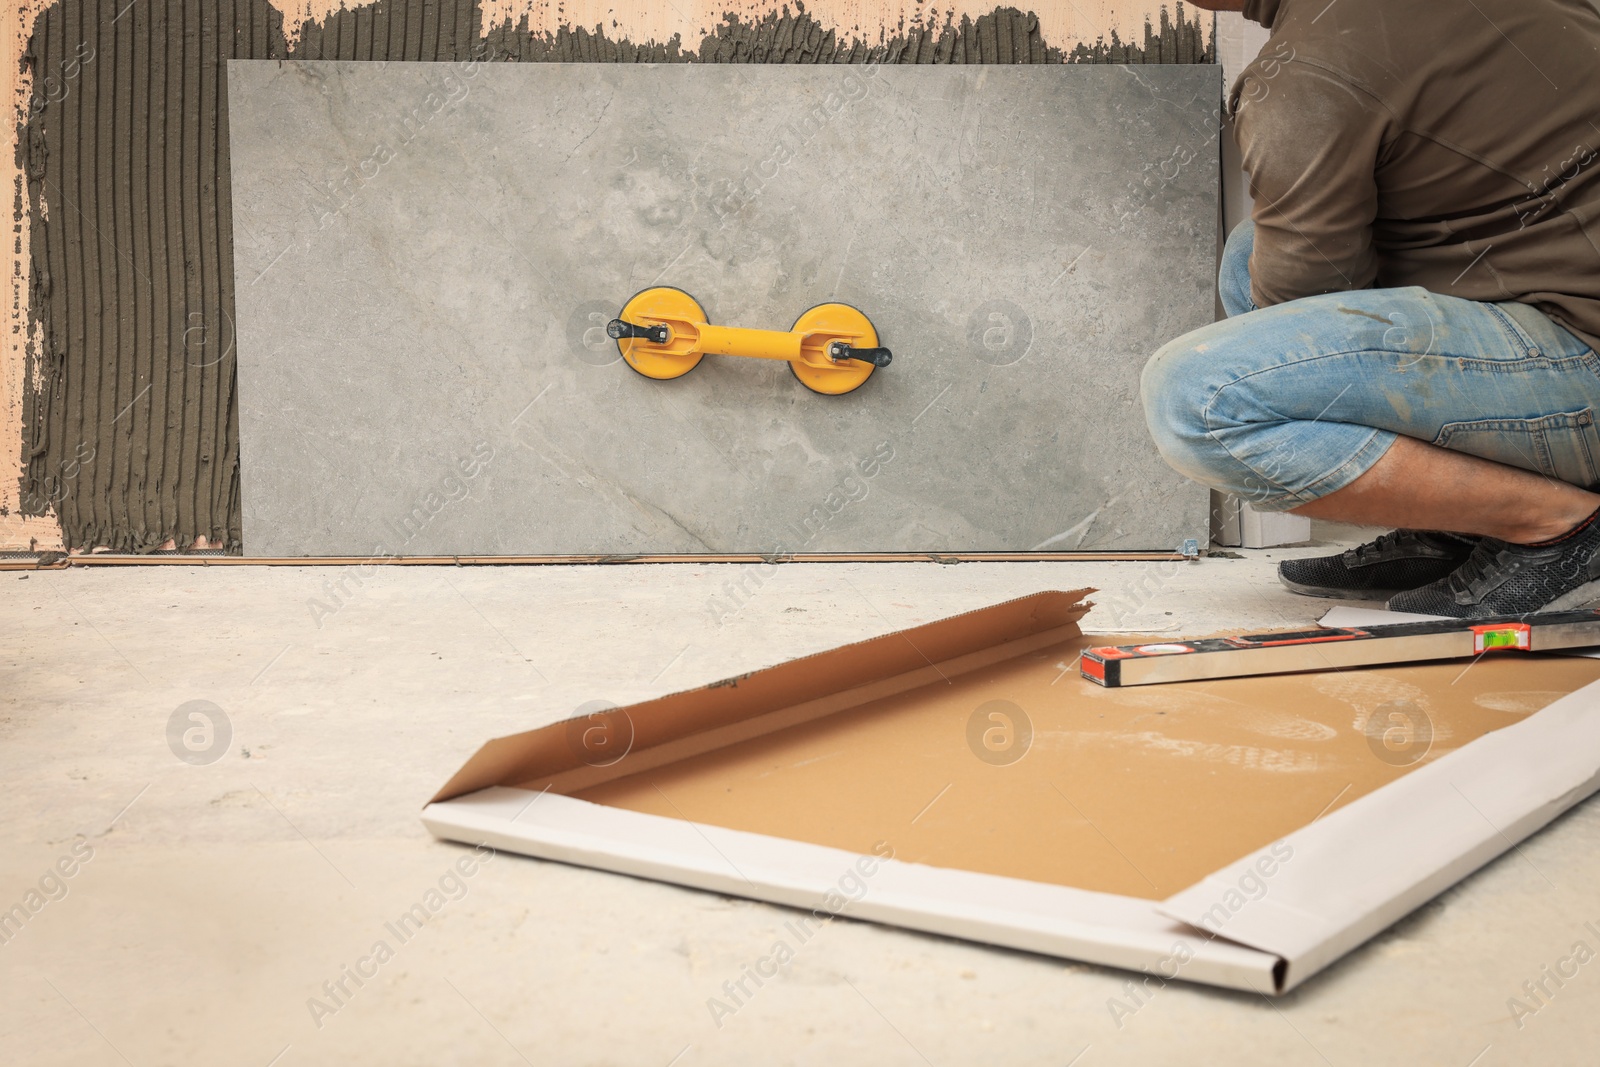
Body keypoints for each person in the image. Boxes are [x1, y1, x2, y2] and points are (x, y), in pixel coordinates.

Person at [1142, 0, 1600, 618]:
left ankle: (1563, 529)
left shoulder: (1309, 75)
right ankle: (1460, 526)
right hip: (1566, 297)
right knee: (1252, 251)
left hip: (1583, 360)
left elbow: (1309, 312)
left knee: (1197, 402)